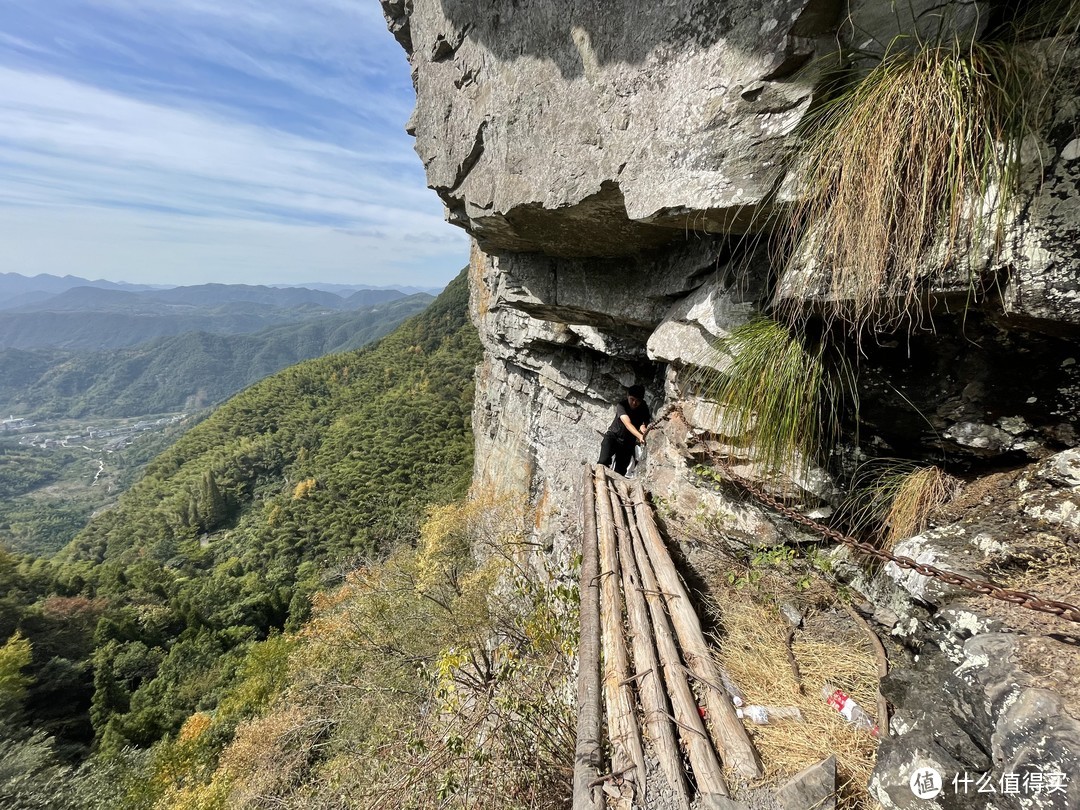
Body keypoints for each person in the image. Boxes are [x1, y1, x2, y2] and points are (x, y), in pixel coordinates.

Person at [598, 384, 651, 476]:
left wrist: (643, 427)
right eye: (632, 399)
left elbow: (644, 422)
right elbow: (627, 424)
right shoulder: (622, 405)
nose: (634, 403)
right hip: (613, 436)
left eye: (637, 401)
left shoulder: (644, 407)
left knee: (620, 471)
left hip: (628, 442)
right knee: (603, 461)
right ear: (628, 396)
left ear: (641, 400)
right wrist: (640, 436)